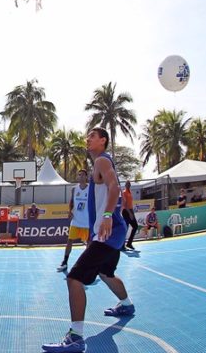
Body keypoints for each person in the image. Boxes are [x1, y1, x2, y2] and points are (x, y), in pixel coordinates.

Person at [42, 128, 132, 353]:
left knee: (74, 278)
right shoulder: (99, 164)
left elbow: (115, 187)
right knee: (106, 273)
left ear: (103, 140)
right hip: (111, 232)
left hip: (108, 231)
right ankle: (127, 305)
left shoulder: (102, 161)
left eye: (93, 135)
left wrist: (108, 216)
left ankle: (75, 337)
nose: (88, 138)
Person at [57, 169, 91, 273]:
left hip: (87, 221)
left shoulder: (91, 189)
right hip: (76, 220)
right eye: (79, 175)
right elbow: (72, 201)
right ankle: (65, 262)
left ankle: (88, 264)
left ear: (86, 177)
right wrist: (70, 211)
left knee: (89, 243)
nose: (80, 176)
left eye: (82, 175)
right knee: (69, 241)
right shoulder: (74, 189)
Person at [121, 181, 138, 251]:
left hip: (130, 210)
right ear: (125, 185)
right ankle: (122, 245)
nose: (128, 185)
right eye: (127, 184)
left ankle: (129, 243)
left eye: (129, 184)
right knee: (125, 228)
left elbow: (130, 203)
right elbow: (124, 204)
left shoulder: (129, 192)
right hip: (126, 211)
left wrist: (132, 212)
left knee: (135, 226)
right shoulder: (124, 192)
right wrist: (130, 213)